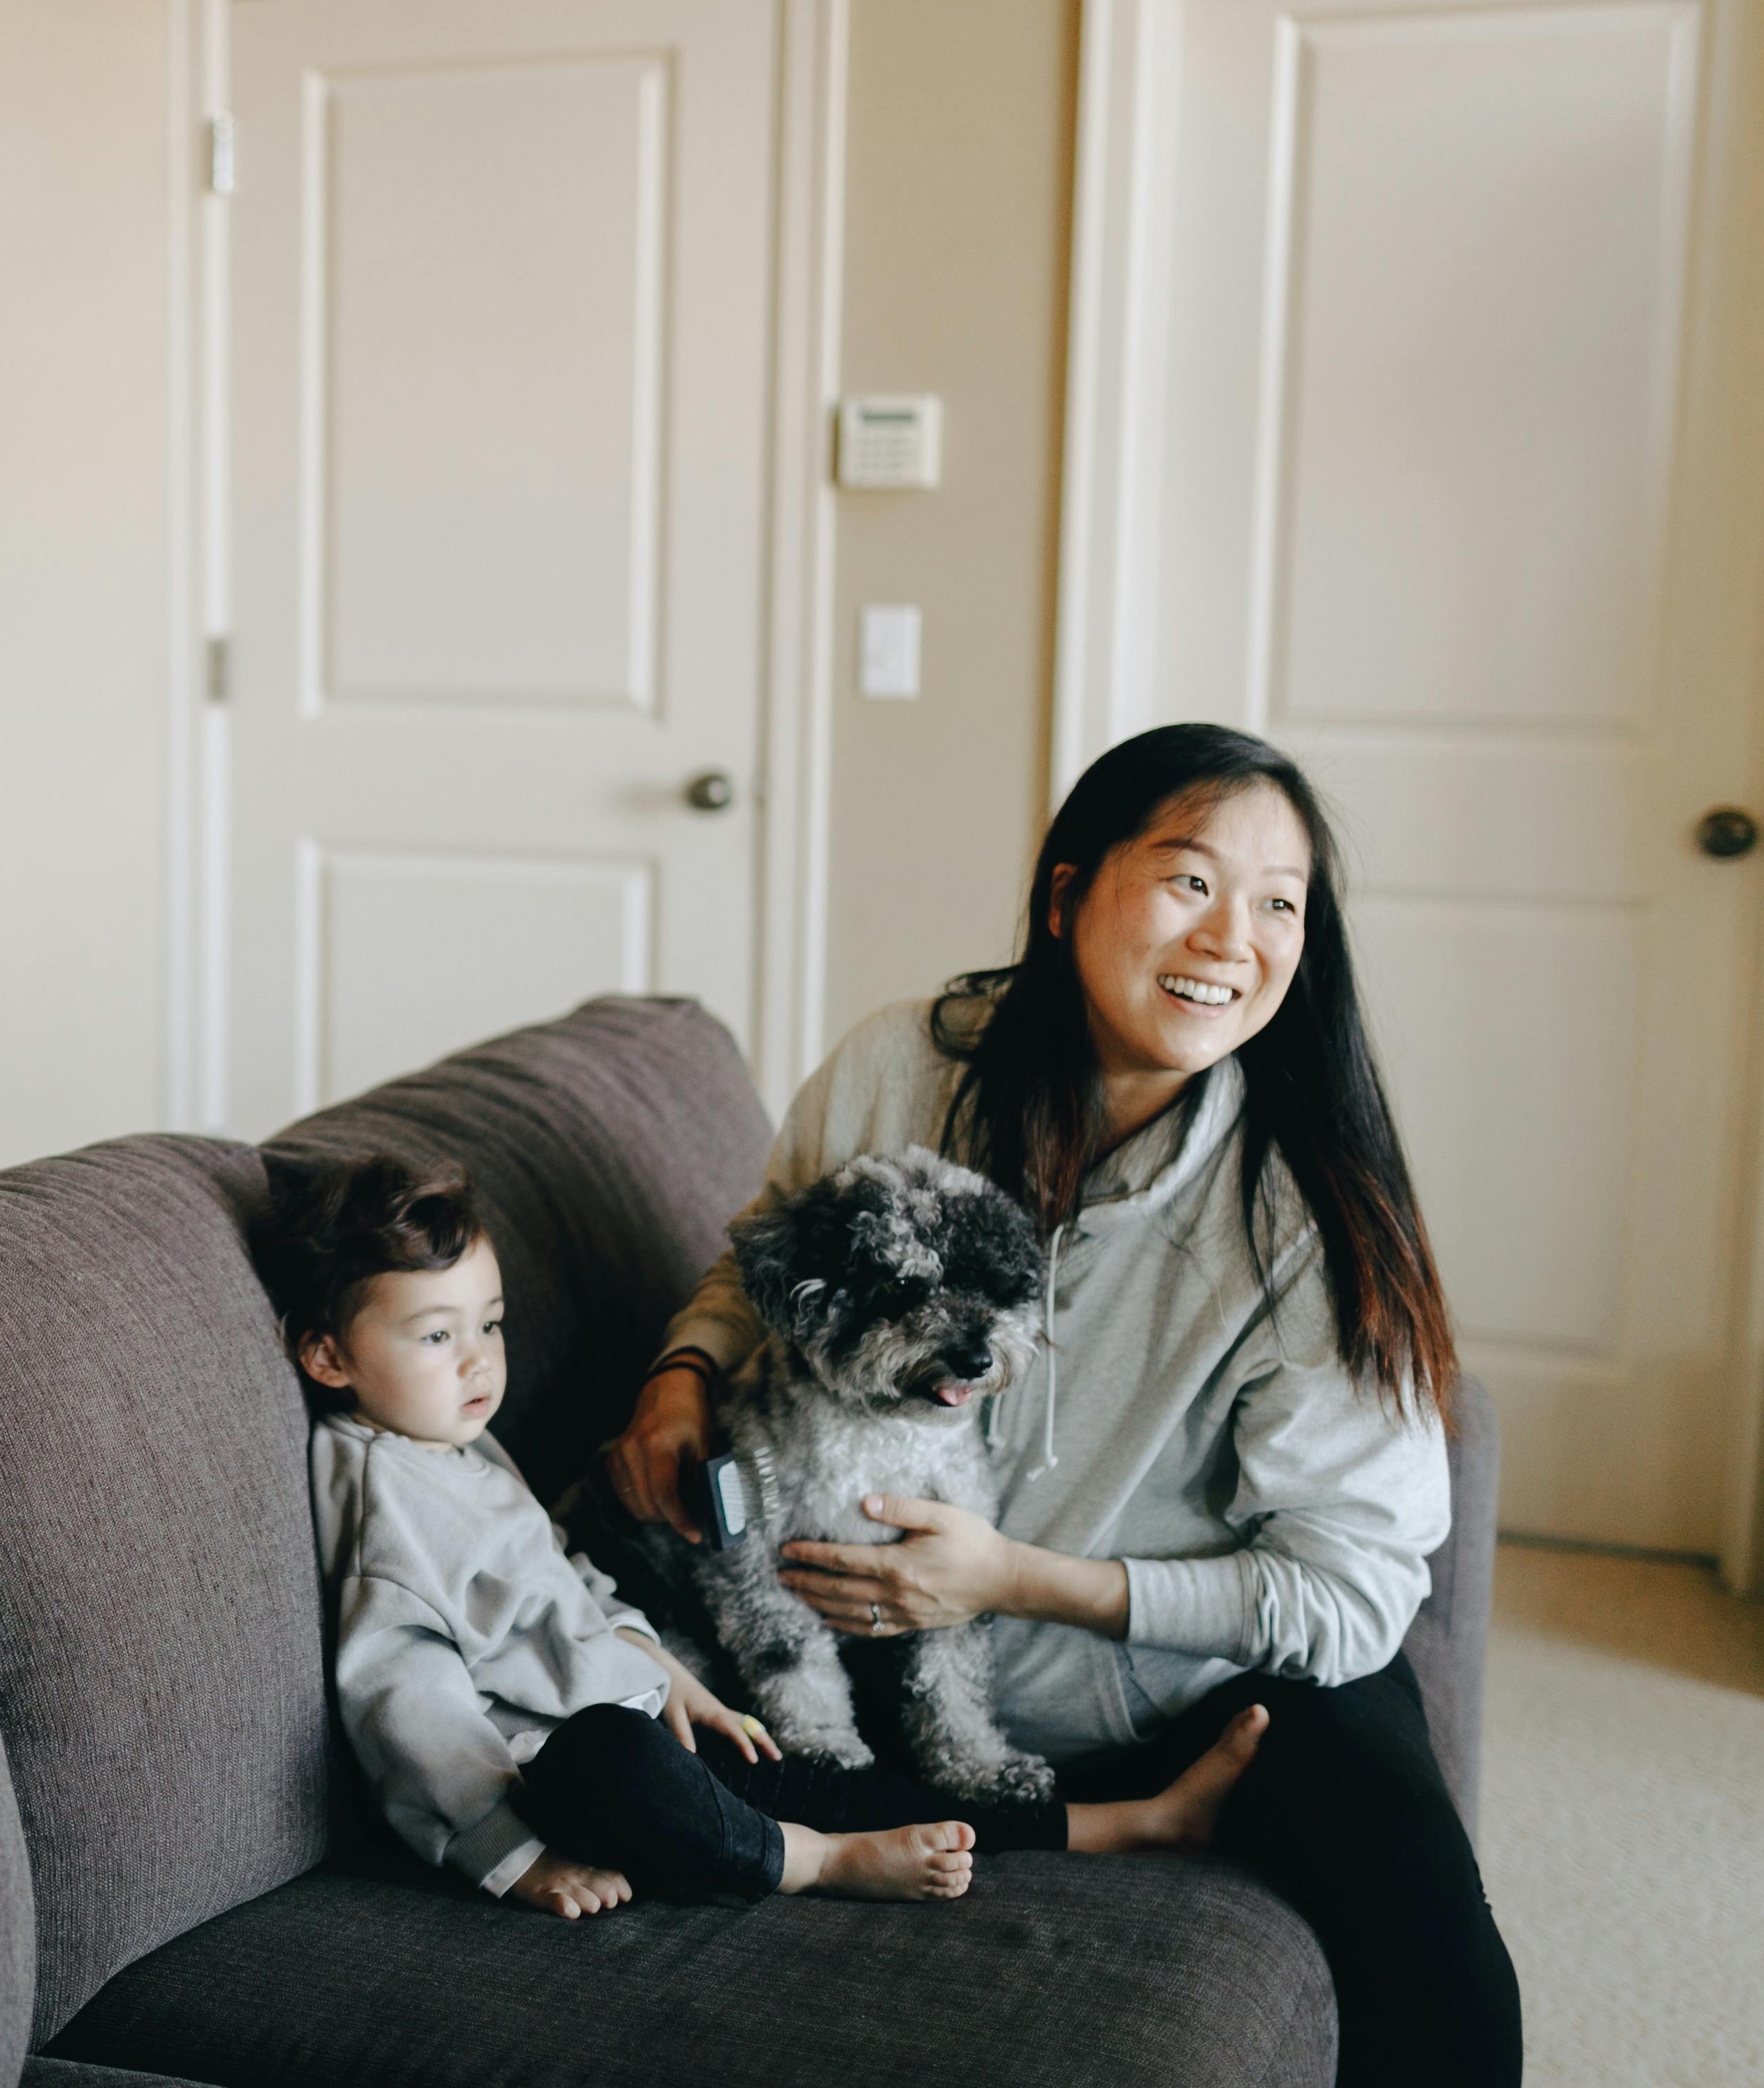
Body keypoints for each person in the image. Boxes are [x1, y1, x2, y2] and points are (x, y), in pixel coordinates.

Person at [602, 722, 1519, 2084]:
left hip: (1188, 1672)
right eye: (1191, 878)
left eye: (1281, 902)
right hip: (860, 1657)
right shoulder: (901, 1064)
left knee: (1438, 1955)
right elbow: (764, 1257)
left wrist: (1016, 1578)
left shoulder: (1305, 1211)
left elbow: (1348, 1593)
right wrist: (681, 1373)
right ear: (1065, 892)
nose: (1235, 936)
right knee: (612, 1743)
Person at [266, 1148, 1269, 1919]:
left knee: (822, 1772)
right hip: (548, 1773)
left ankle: (1128, 1825)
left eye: (489, 1324)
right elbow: (407, 1703)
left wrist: (670, 1674)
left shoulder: (453, 1441)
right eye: (437, 1337)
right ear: (326, 1357)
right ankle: (817, 1862)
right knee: (631, 1764)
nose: (481, 1362)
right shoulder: (383, 1503)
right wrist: (514, 1858)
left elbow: (562, 1583)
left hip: (645, 1707)